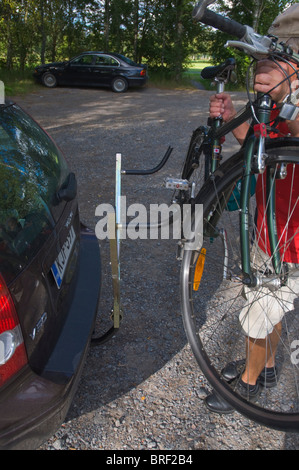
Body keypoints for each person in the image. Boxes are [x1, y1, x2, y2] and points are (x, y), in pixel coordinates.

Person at [204, 4, 299, 414]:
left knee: (259, 310)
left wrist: (288, 92)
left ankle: (247, 385)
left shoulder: (288, 96)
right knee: (264, 306)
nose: (270, 64)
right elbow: (254, 147)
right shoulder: (276, 102)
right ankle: (270, 365)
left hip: (294, 242)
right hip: (267, 227)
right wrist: (231, 118)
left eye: (283, 54)